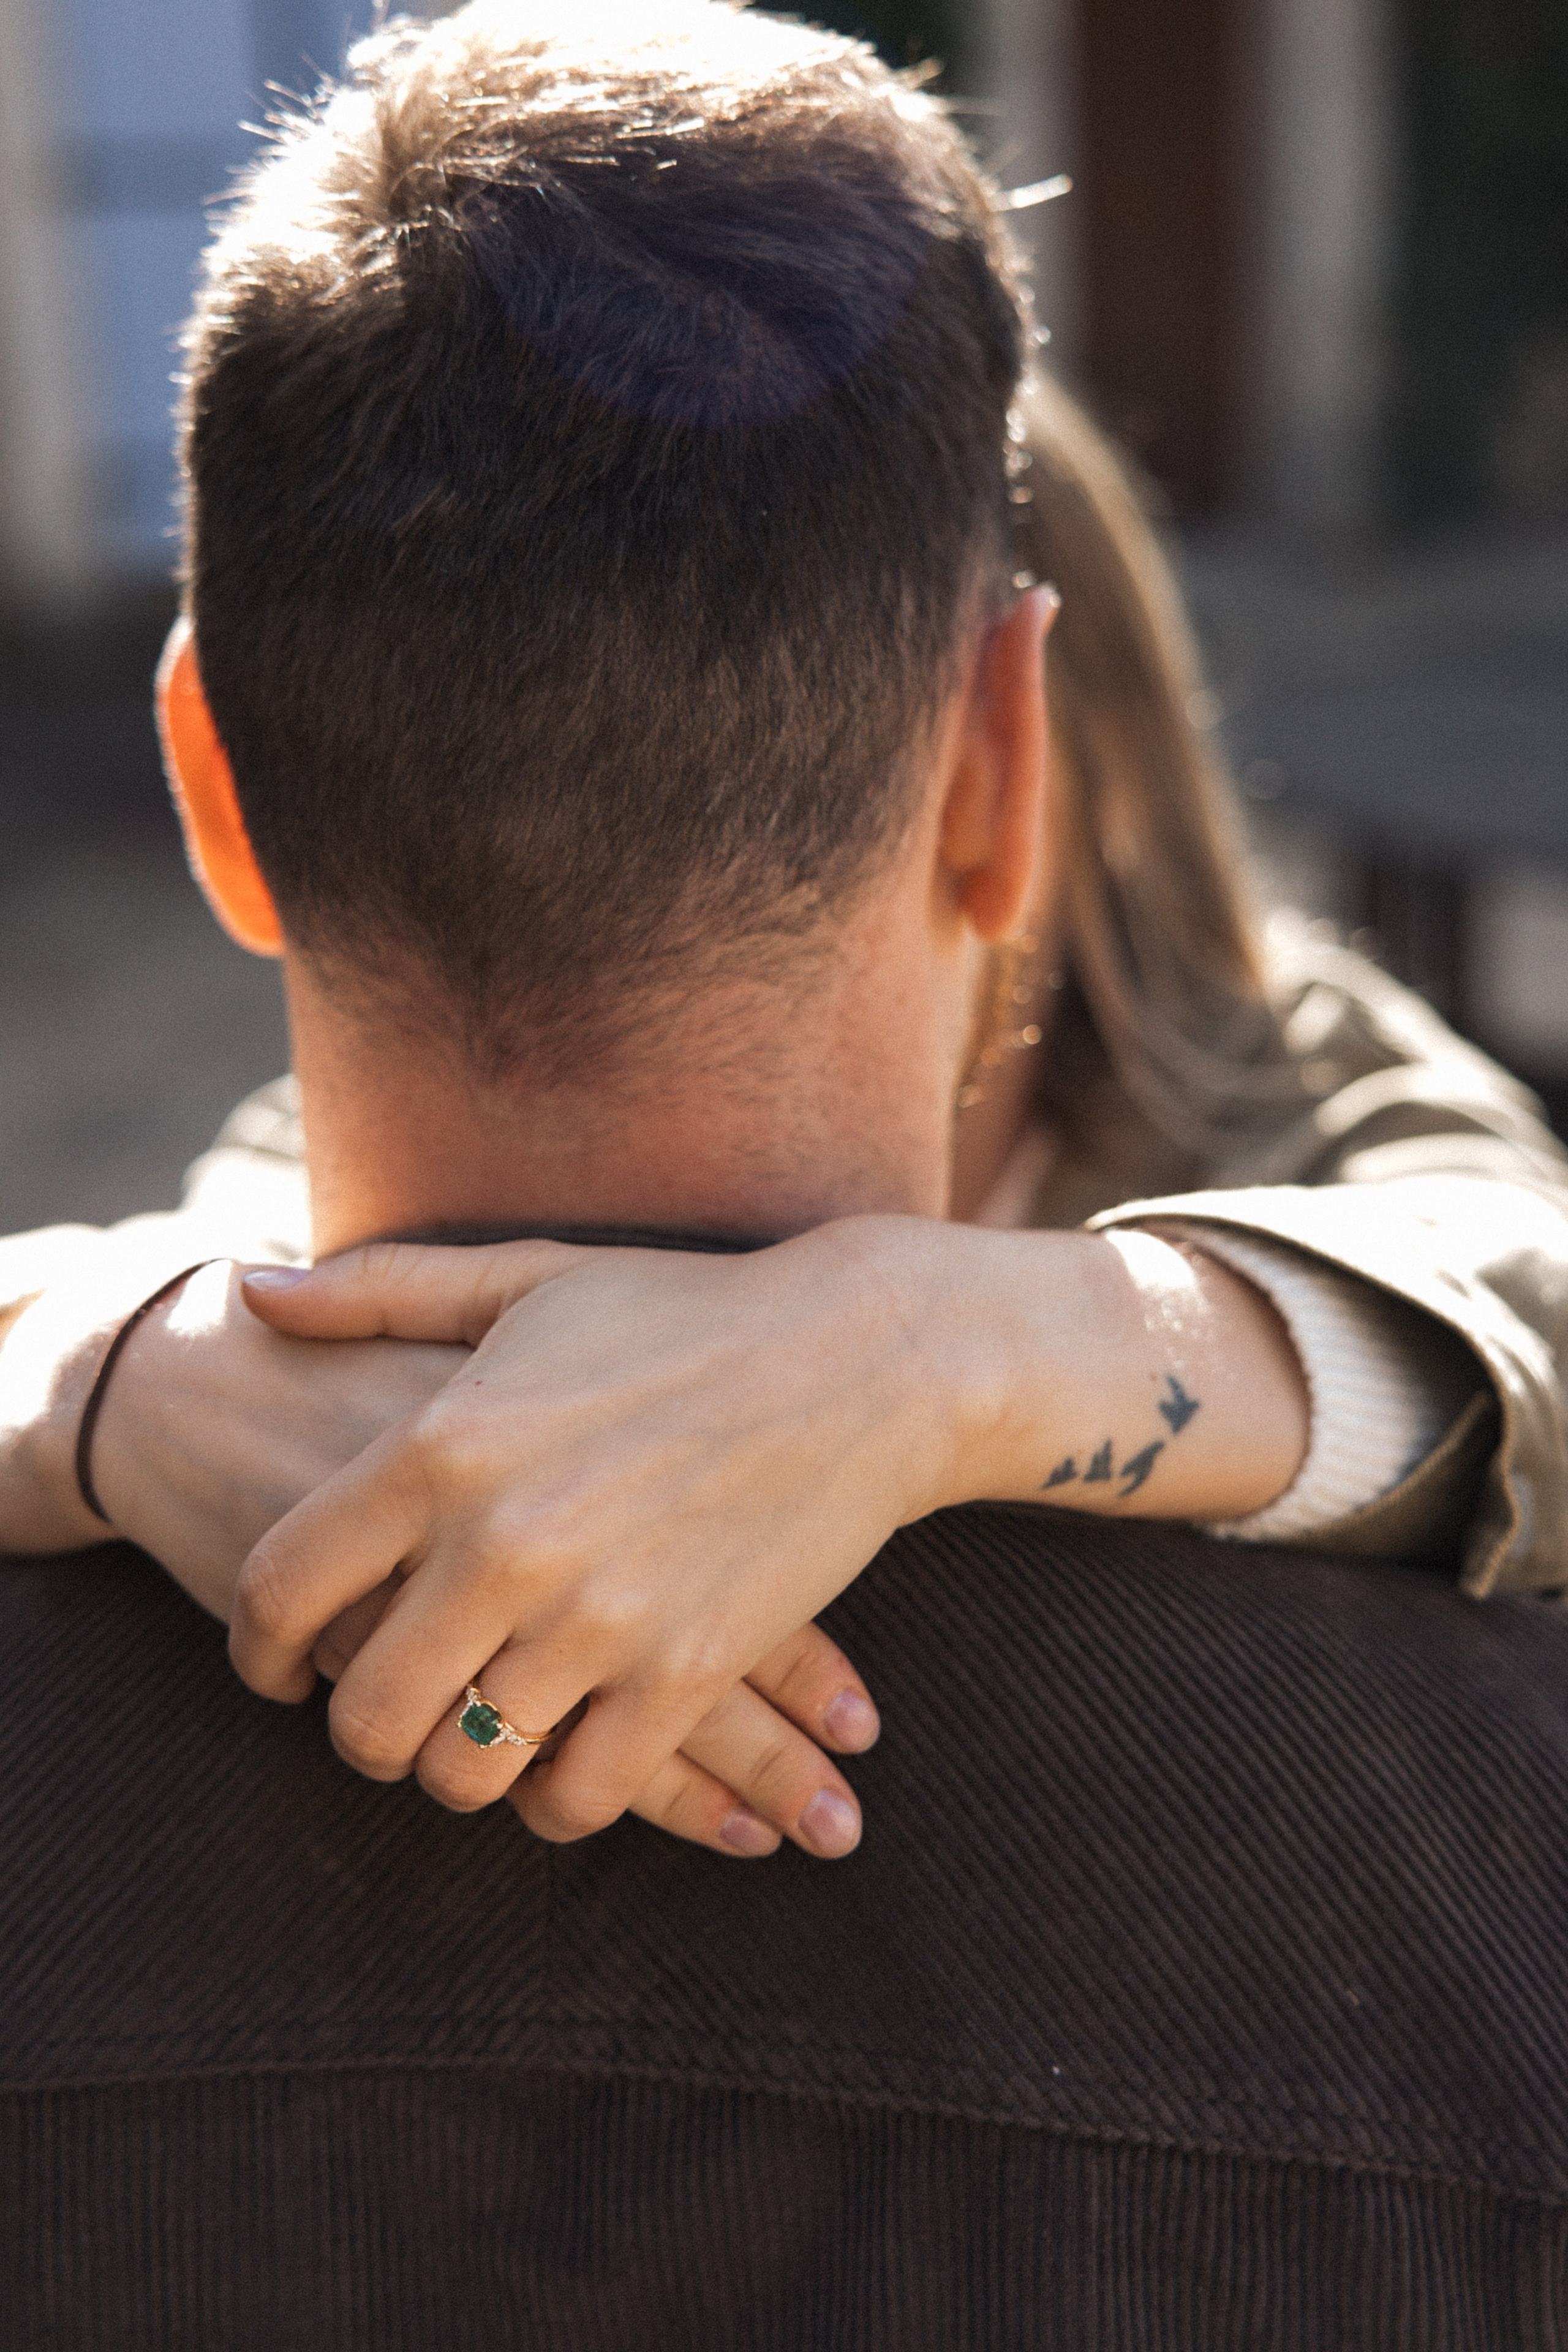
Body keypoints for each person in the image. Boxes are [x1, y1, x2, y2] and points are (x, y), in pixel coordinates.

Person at [3, 7, 1568, 2337]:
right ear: (1002, 769)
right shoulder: (1474, 1870)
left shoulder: (1274, 1072)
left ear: (208, 790)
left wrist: (964, 1345)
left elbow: (1515, 1269)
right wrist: (124, 1366)